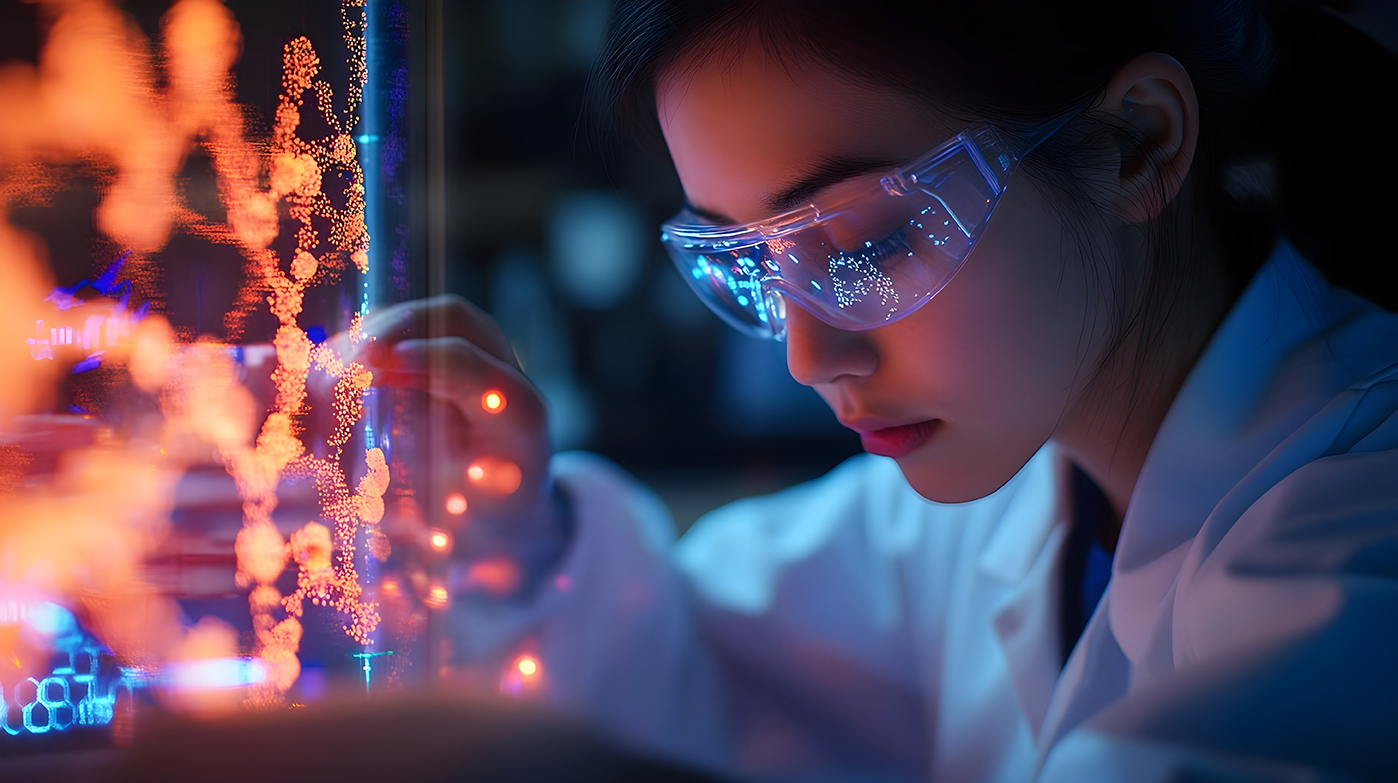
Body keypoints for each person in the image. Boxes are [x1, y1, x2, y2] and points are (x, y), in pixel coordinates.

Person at [358, 1, 1398, 780]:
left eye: (864, 241)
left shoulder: (1361, 542)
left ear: (1138, 143)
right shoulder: (1003, 501)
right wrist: (509, 531)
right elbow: (697, 657)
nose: (809, 357)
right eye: (752, 265)